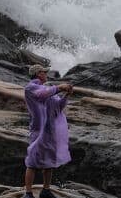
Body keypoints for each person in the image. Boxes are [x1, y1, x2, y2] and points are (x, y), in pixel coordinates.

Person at [23, 64, 74, 198]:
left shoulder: (48, 89)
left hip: (50, 131)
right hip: (38, 130)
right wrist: (59, 87)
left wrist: (66, 95)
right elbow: (42, 94)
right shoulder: (30, 88)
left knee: (49, 162)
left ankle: (46, 190)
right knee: (32, 162)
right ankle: (28, 193)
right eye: (44, 72)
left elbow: (58, 106)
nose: (46, 74)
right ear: (39, 74)